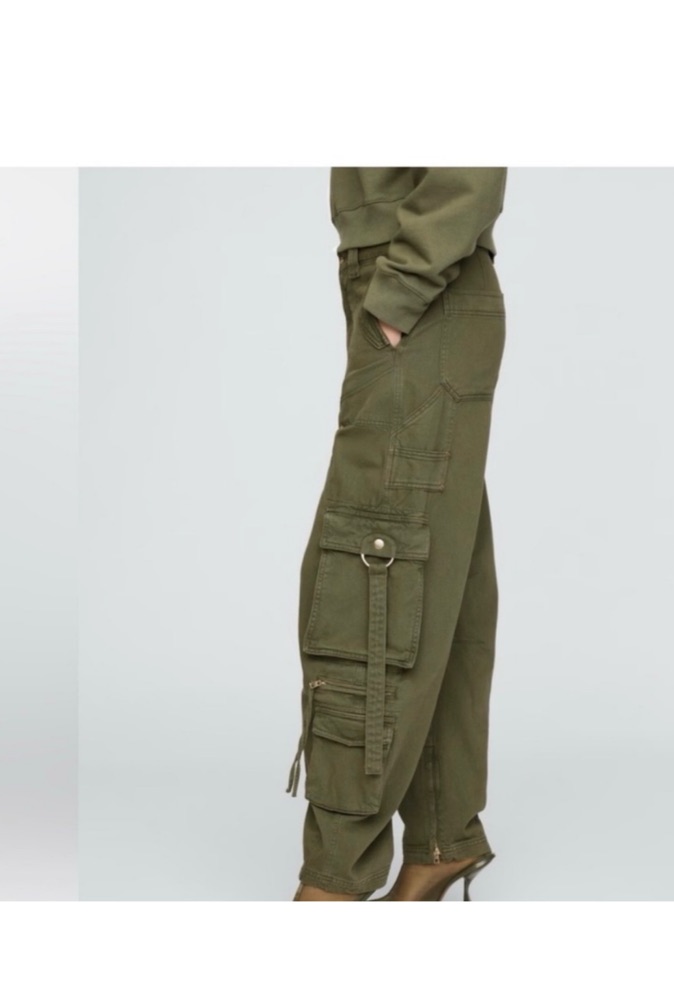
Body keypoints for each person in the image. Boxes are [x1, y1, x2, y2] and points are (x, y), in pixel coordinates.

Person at [286, 167, 508, 901]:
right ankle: (445, 834)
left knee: (369, 581)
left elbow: (470, 168)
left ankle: (336, 880)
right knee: (433, 575)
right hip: (418, 282)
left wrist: (401, 288)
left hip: (421, 286)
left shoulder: (408, 282)